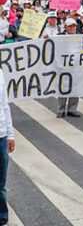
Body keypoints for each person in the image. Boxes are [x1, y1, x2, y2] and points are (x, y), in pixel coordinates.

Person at [57, 18, 80, 118]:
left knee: (75, 88)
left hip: (77, 66)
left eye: (74, 26)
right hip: (64, 66)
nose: (73, 28)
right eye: (70, 26)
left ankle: (72, 109)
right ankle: (61, 109)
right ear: (65, 27)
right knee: (63, 88)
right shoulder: (60, 37)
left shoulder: (81, 36)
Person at [0, 68, 15, 226]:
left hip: (1, 136)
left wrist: (10, 135)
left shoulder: (0, 73)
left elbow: (5, 105)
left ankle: (2, 218)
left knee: (0, 184)